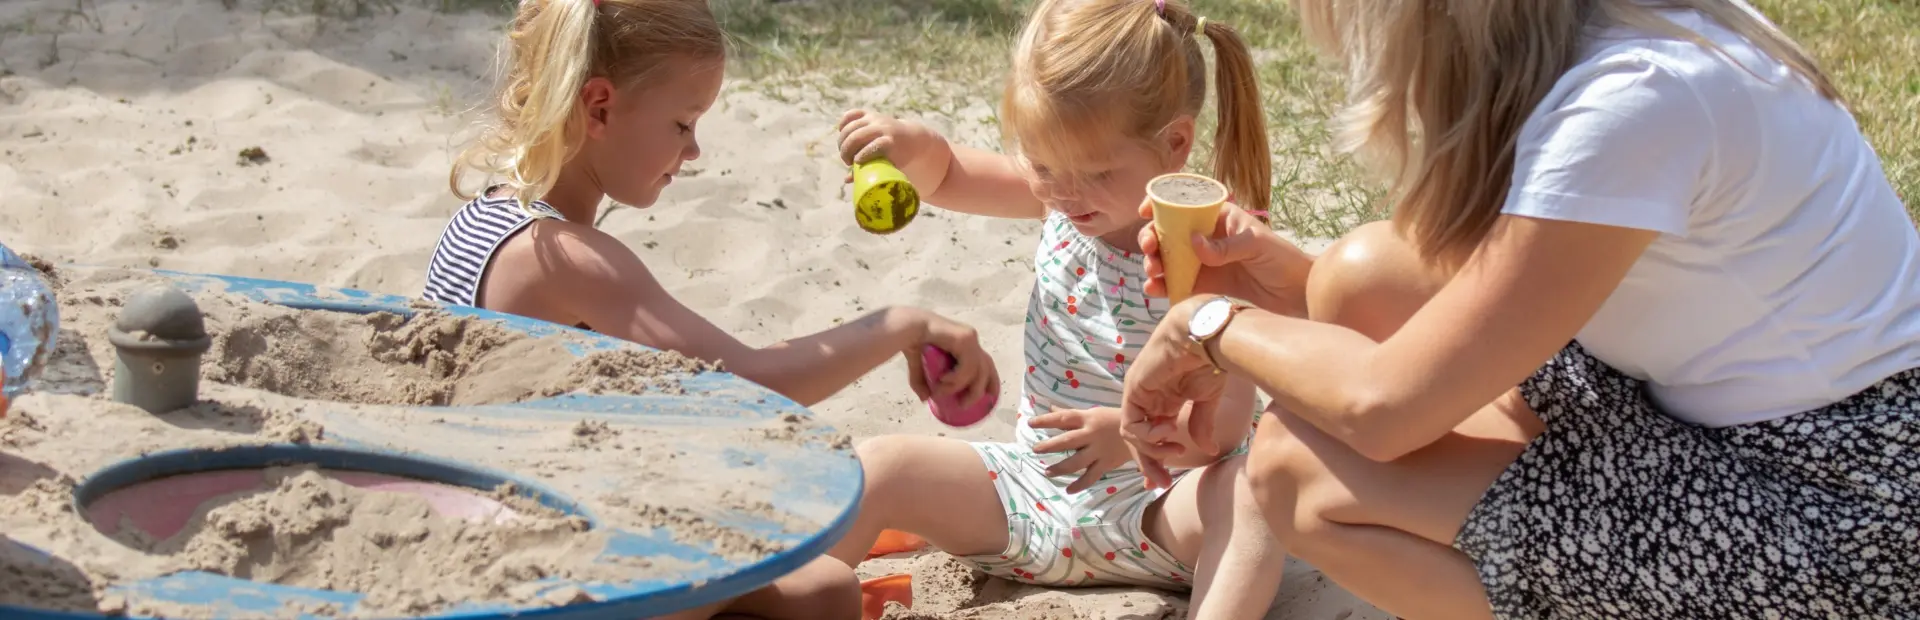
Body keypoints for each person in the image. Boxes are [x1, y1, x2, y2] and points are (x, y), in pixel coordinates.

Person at [1117, 1, 1920, 618]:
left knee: (1298, 470)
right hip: (1726, 418)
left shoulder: (1636, 98)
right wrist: (1274, 289)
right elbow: (1487, 311)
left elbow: (1382, 409)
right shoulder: (1621, 30)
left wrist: (1210, 327)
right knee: (1357, 277)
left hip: (1844, 512)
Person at [422, 1, 1003, 618]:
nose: (694, 150)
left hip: (470, 526)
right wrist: (900, 325)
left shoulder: (485, 217)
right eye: (682, 124)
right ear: (599, 108)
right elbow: (752, 383)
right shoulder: (568, 258)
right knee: (826, 589)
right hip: (536, 577)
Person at [827, 0, 1287, 617]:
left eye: (1092, 173)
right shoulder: (1061, 197)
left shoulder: (1212, 249)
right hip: (1034, 493)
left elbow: (1224, 432)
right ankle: (790, 599)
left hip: (1158, 512)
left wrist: (1131, 438)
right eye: (1041, 165)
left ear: (1175, 142)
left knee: (1256, 493)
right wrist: (915, 145)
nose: (1063, 192)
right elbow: (950, 176)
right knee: (876, 465)